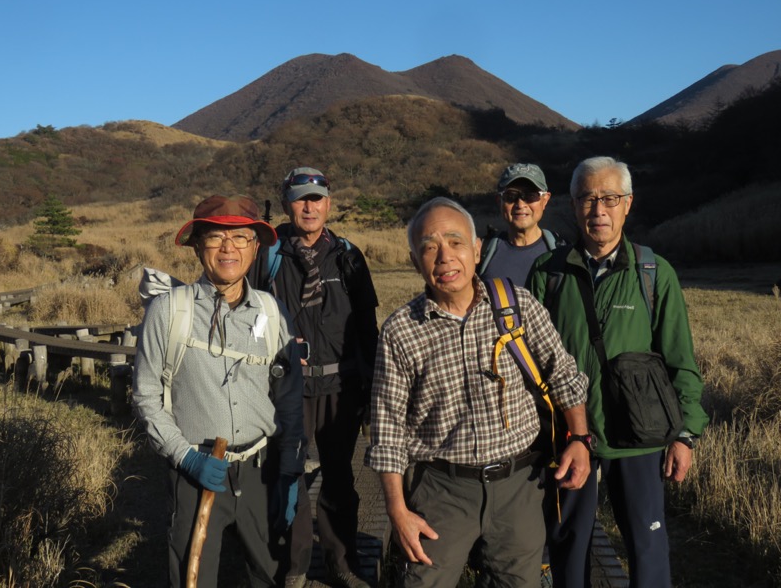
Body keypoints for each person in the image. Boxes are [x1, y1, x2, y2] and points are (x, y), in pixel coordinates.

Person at [366, 196, 592, 587]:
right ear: (414, 260)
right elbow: (387, 432)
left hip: (518, 486)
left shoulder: (516, 306)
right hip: (441, 491)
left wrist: (580, 438)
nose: (443, 257)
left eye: (455, 242)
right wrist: (397, 510)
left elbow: (564, 374)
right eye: (429, 246)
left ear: (476, 249)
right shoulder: (401, 330)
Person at [528, 157, 710, 588]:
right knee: (569, 545)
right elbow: (529, 365)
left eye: (609, 198)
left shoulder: (653, 273)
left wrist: (685, 434)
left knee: (648, 549)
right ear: (573, 206)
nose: (598, 210)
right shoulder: (548, 273)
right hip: (570, 436)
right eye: (588, 198)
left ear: (628, 204)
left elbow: (680, 360)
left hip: (640, 437)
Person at [132, 194, 305, 588]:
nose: (229, 248)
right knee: (192, 579)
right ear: (197, 246)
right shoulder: (169, 312)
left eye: (241, 237)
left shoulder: (271, 312)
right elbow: (146, 397)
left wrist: (290, 464)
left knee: (269, 574)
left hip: (260, 472)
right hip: (196, 473)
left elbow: (289, 393)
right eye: (215, 237)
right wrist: (187, 459)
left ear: (255, 247)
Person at [249, 167, 379, 588]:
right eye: (301, 198)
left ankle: (342, 563)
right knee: (288, 475)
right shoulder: (267, 256)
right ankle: (295, 565)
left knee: (340, 477)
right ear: (287, 203)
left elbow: (366, 326)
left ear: (329, 203)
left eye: (317, 198)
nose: (309, 206)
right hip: (287, 386)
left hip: (341, 388)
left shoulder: (348, 256)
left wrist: (373, 387)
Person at [478, 162, 564, 285]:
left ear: (545, 200)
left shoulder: (563, 252)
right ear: (499, 201)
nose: (520, 204)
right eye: (511, 196)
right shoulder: (482, 252)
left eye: (531, 196)